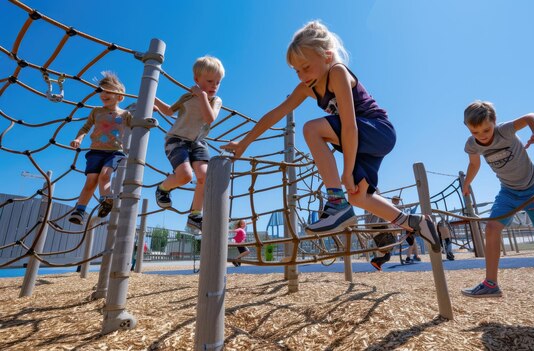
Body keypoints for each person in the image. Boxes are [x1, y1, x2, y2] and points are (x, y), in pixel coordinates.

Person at [220, 21, 440, 253]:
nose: (301, 76)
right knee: (358, 197)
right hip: (361, 142)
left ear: (326, 56)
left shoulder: (337, 72)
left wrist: (346, 171)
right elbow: (275, 114)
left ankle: (336, 201)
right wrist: (244, 143)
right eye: (296, 71)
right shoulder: (307, 88)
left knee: (311, 129)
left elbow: (350, 126)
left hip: (376, 130)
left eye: (306, 67)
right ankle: (415, 222)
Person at [460, 100, 534, 298]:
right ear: (468, 129)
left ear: (494, 122)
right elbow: (474, 164)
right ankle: (491, 284)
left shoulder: (504, 131)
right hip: (508, 192)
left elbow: (530, 117)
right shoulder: (472, 145)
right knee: (491, 227)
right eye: (475, 132)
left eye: (486, 130)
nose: (482, 136)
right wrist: (467, 182)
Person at [153, 56, 224, 231]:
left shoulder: (215, 101)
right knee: (185, 177)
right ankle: (162, 188)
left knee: (205, 177)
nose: (214, 85)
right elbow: (169, 111)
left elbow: (210, 118)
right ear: (196, 80)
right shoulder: (186, 97)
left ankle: (195, 215)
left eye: (218, 82)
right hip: (177, 140)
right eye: (210, 81)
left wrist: (202, 96)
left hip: (198, 142)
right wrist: (153, 99)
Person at [69, 72, 131, 225]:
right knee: (90, 181)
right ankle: (80, 210)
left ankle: (106, 201)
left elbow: (137, 125)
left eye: (109, 91)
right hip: (95, 151)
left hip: (114, 152)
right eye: (102, 91)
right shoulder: (96, 111)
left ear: (120, 97)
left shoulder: (125, 114)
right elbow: (86, 127)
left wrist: (150, 110)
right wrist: (78, 138)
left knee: (104, 176)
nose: (104, 94)